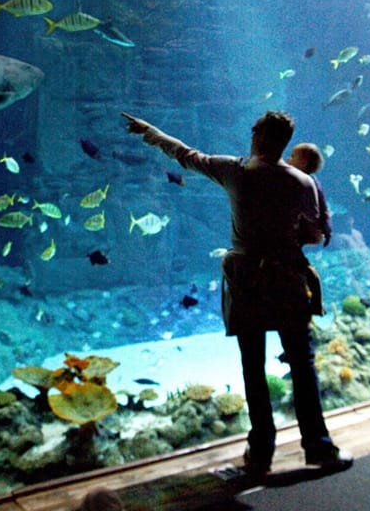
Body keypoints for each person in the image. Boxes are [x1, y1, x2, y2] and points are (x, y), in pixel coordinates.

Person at [123, 110, 352, 474]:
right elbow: (315, 235)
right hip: (289, 278)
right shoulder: (303, 182)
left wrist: (151, 132)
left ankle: (260, 454)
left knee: (253, 366)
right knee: (302, 365)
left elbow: (186, 154)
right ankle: (319, 448)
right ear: (284, 142)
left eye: (255, 129)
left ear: (259, 136)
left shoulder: (235, 171)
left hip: (248, 280)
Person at [287, 141, 332, 316]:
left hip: (307, 230)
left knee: (301, 264)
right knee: (297, 263)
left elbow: (323, 207)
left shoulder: (308, 181)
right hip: (302, 230)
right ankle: (308, 298)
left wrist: (325, 229)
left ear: (303, 163)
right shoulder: (297, 178)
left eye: (293, 156)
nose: (288, 158)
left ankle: (317, 303)